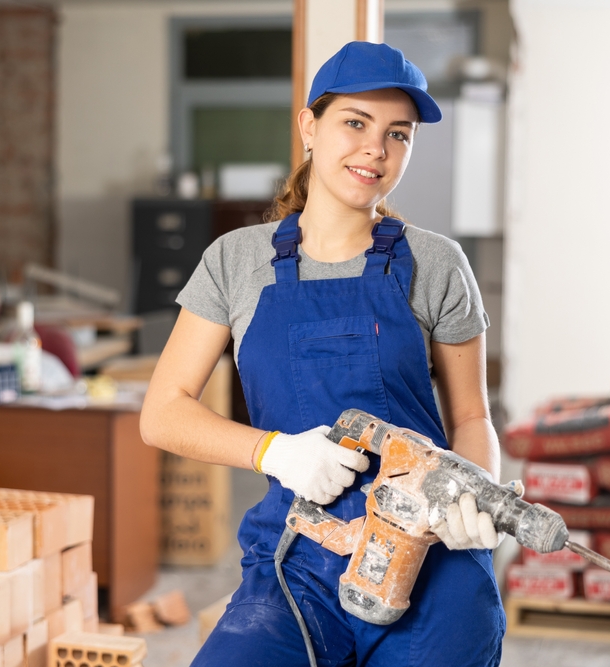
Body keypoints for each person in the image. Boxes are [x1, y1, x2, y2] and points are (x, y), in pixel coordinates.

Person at [141, 41, 505, 667]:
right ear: (310, 127)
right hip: (298, 552)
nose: (376, 149)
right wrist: (275, 451)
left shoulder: (437, 263)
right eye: (355, 123)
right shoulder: (236, 261)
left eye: (399, 134)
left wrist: (474, 497)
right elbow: (163, 413)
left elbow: (471, 418)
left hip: (427, 554)